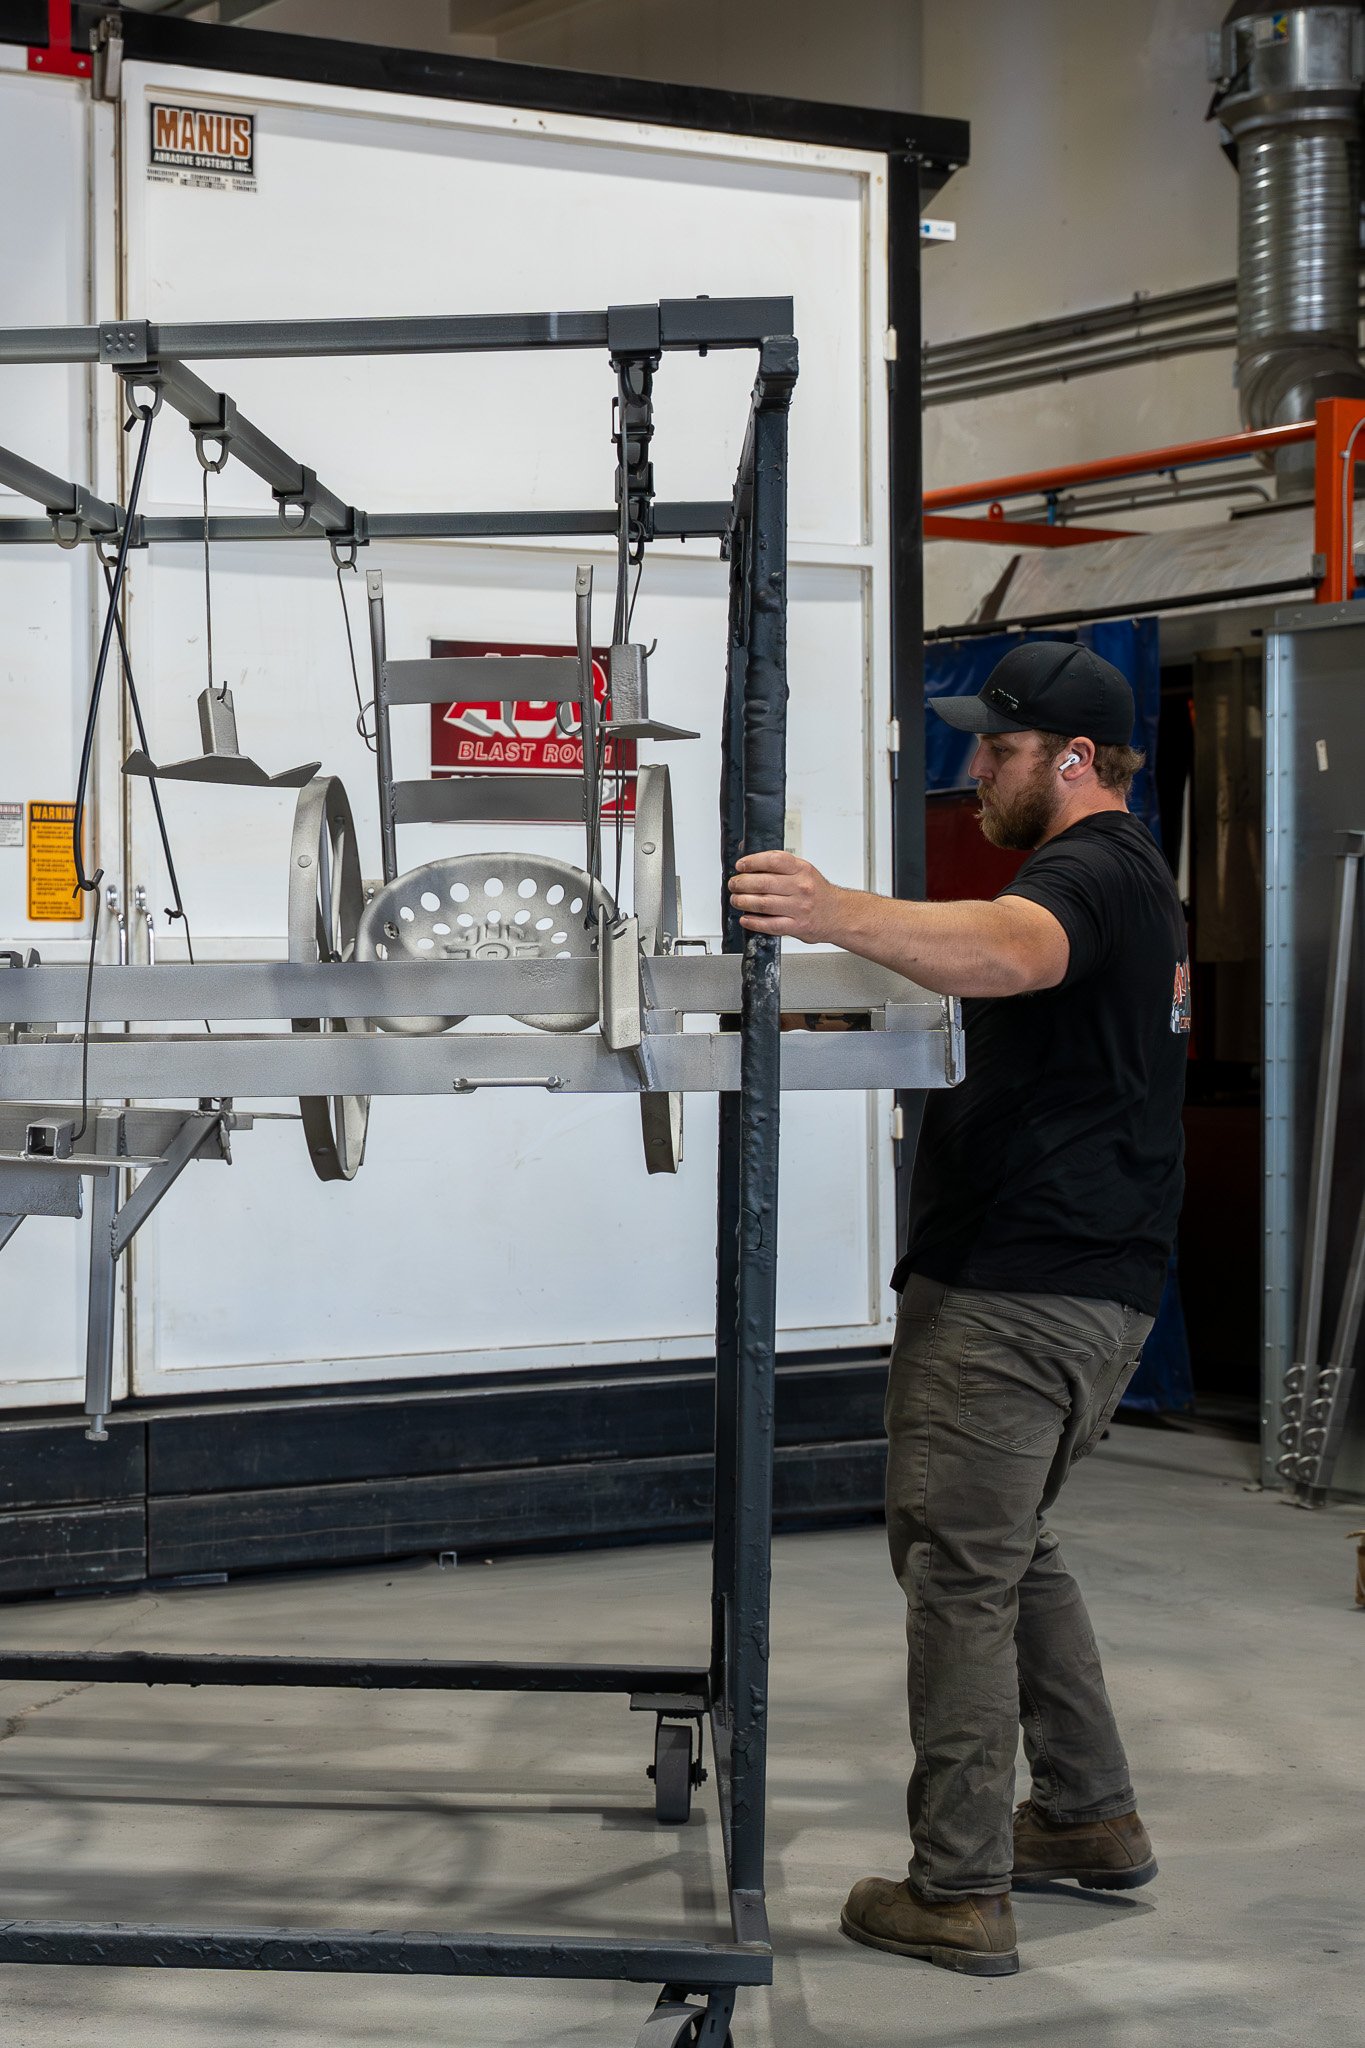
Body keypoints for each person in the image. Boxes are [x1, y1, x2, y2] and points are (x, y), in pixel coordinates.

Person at [727, 640, 1188, 1979]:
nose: (973, 768)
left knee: (956, 1576)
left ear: (1072, 760)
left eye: (994, 749)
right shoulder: (1126, 876)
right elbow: (996, 986)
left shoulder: (1085, 873)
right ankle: (1089, 1820)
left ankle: (957, 1889)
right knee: (1013, 1551)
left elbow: (1008, 952)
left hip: (1014, 1295)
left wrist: (824, 906)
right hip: (1084, 1287)